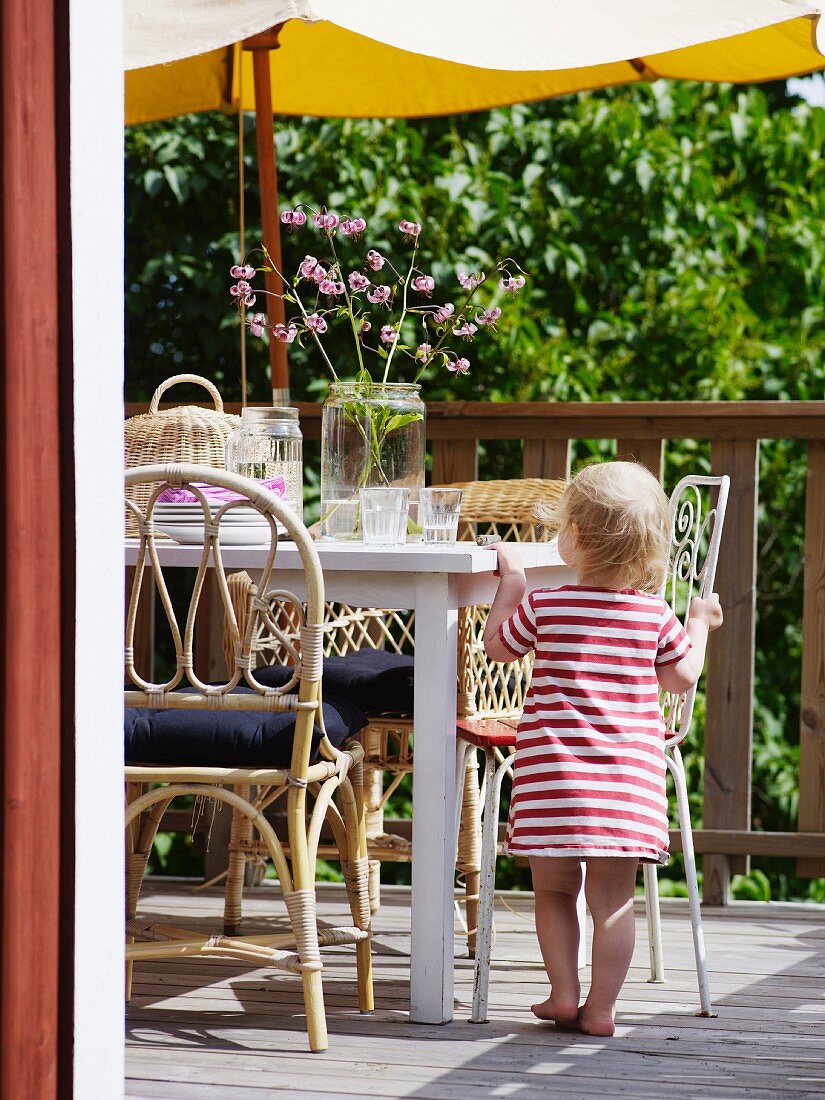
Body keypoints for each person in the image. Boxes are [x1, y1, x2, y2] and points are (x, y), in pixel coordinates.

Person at [483, 461, 723, 1037]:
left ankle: (562, 994)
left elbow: (498, 648)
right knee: (613, 903)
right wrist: (701, 622)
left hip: (553, 779)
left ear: (574, 540)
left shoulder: (548, 605)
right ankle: (601, 1009)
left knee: (554, 890)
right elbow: (682, 677)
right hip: (625, 784)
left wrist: (512, 580)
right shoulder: (653, 616)